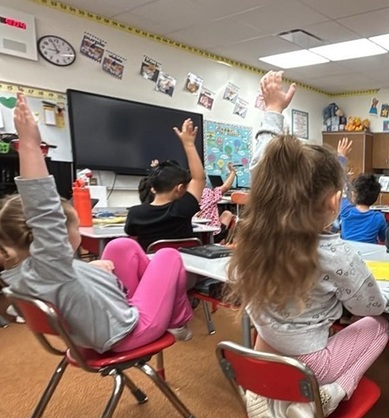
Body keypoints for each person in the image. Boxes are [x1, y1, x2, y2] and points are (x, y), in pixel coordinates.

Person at [227, 134, 389, 418]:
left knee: (268, 315)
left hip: (268, 349)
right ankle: (331, 393)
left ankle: (269, 392)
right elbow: (368, 306)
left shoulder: (258, 237)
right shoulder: (336, 253)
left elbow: (265, 167)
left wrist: (272, 113)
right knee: (379, 326)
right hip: (312, 366)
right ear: (333, 201)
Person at [0, 93, 194, 354]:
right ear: (57, 236)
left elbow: (64, 277)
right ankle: (178, 321)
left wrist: (88, 270)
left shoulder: (21, 271)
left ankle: (150, 289)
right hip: (128, 332)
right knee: (168, 255)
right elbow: (44, 212)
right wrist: (31, 146)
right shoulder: (51, 266)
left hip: (104, 321)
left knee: (122, 246)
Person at [125, 120, 205, 251]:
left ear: (153, 188)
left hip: (151, 267)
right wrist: (189, 144)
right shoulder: (182, 209)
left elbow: (132, 240)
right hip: (184, 265)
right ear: (179, 189)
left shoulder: (135, 213)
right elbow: (198, 178)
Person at [339, 172, 387, 244]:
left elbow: (342, 193)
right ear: (375, 197)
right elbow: (384, 238)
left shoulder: (345, 211)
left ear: (353, 194)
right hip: (369, 253)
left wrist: (346, 179)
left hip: (347, 252)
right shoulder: (379, 217)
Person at [198, 162, 237, 243]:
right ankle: (222, 241)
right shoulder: (208, 192)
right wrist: (233, 172)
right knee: (227, 214)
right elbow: (226, 187)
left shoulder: (185, 197)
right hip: (212, 234)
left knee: (226, 213)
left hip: (194, 234)